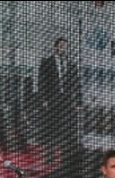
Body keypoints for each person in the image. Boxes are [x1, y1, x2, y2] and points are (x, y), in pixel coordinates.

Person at [38, 37, 81, 169]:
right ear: (55, 47)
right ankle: (48, 157)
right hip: (52, 100)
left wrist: (78, 102)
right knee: (50, 128)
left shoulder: (71, 65)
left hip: (67, 101)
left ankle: (64, 159)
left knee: (65, 130)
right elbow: (42, 82)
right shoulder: (47, 62)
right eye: (61, 45)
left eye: (65, 46)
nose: (63, 48)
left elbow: (77, 84)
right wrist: (43, 99)